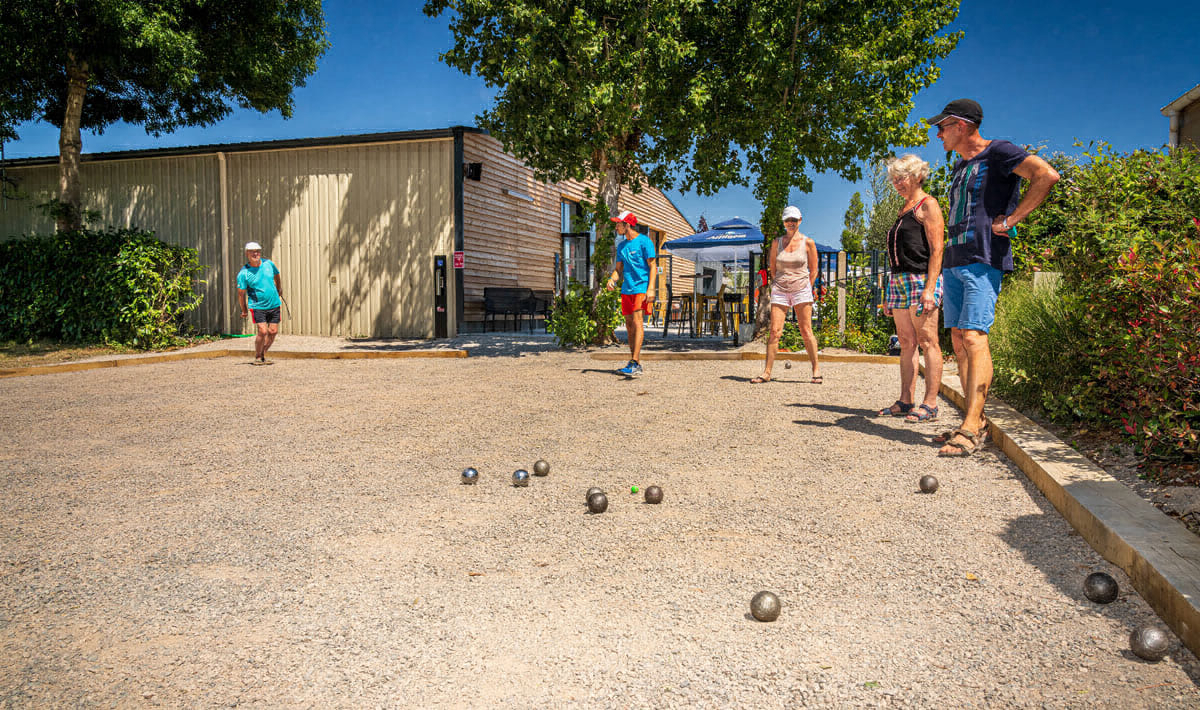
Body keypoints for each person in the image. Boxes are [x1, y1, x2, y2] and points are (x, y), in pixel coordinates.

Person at [929, 99, 1059, 455]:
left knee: (974, 336)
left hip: (982, 257)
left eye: (942, 127)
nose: (937, 133)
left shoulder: (998, 151)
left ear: (961, 125)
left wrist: (1012, 219)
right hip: (955, 260)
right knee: (958, 339)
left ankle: (972, 427)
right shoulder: (959, 166)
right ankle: (974, 419)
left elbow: (1046, 175)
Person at [876, 154, 945, 422]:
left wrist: (930, 288)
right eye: (893, 179)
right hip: (898, 280)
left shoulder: (928, 206)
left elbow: (937, 250)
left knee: (928, 341)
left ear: (917, 176)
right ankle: (906, 400)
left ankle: (930, 404)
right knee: (906, 342)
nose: (896, 183)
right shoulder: (903, 209)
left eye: (901, 178)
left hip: (920, 279)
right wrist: (888, 294)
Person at [751, 205, 821, 384]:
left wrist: (806, 287)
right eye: (788, 220)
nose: (791, 223)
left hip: (802, 290)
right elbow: (772, 267)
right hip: (781, 290)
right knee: (774, 331)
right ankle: (767, 372)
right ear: (784, 222)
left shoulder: (808, 243)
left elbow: (814, 270)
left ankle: (816, 370)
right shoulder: (776, 243)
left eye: (794, 220)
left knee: (806, 330)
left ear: (800, 221)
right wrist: (780, 283)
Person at [605, 211, 656, 377]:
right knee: (628, 324)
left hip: (641, 287)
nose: (616, 226)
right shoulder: (621, 246)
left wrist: (651, 288)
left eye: (618, 224)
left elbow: (653, 266)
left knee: (637, 321)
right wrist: (612, 279)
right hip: (626, 289)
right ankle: (635, 362)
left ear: (627, 225)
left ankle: (634, 362)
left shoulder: (644, 242)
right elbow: (618, 269)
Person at [237, 241, 283, 365]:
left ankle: (262, 353)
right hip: (257, 306)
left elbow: (277, 275)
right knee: (262, 331)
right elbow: (241, 294)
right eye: (252, 251)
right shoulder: (244, 273)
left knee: (273, 331)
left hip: (274, 303)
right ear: (247, 253)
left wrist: (279, 288)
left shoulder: (268, 264)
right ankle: (258, 356)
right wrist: (244, 310)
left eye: (257, 251)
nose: (255, 253)